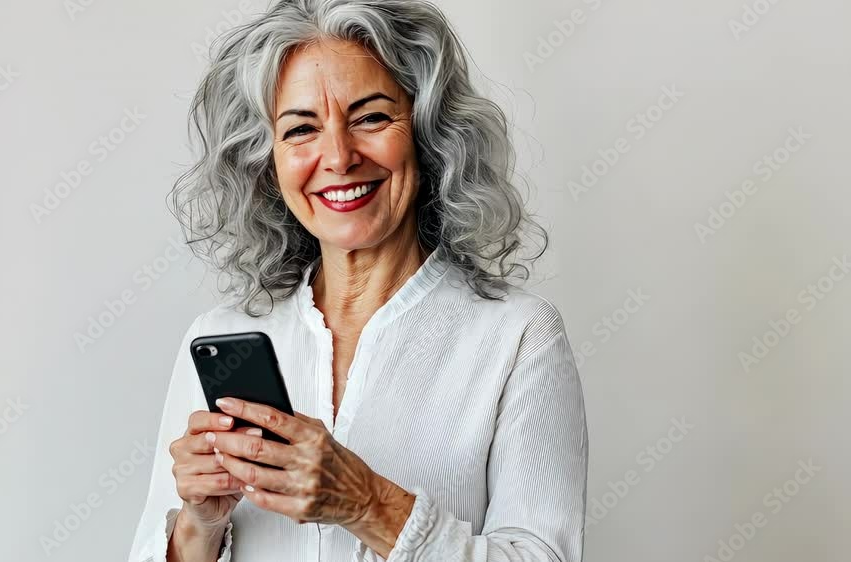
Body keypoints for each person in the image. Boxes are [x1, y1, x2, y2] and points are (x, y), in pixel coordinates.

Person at [128, 1, 587, 560]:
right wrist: (200, 524)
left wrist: (366, 503)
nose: (339, 157)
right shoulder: (219, 337)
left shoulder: (518, 335)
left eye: (370, 118)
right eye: (301, 129)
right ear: (267, 163)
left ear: (428, 133)